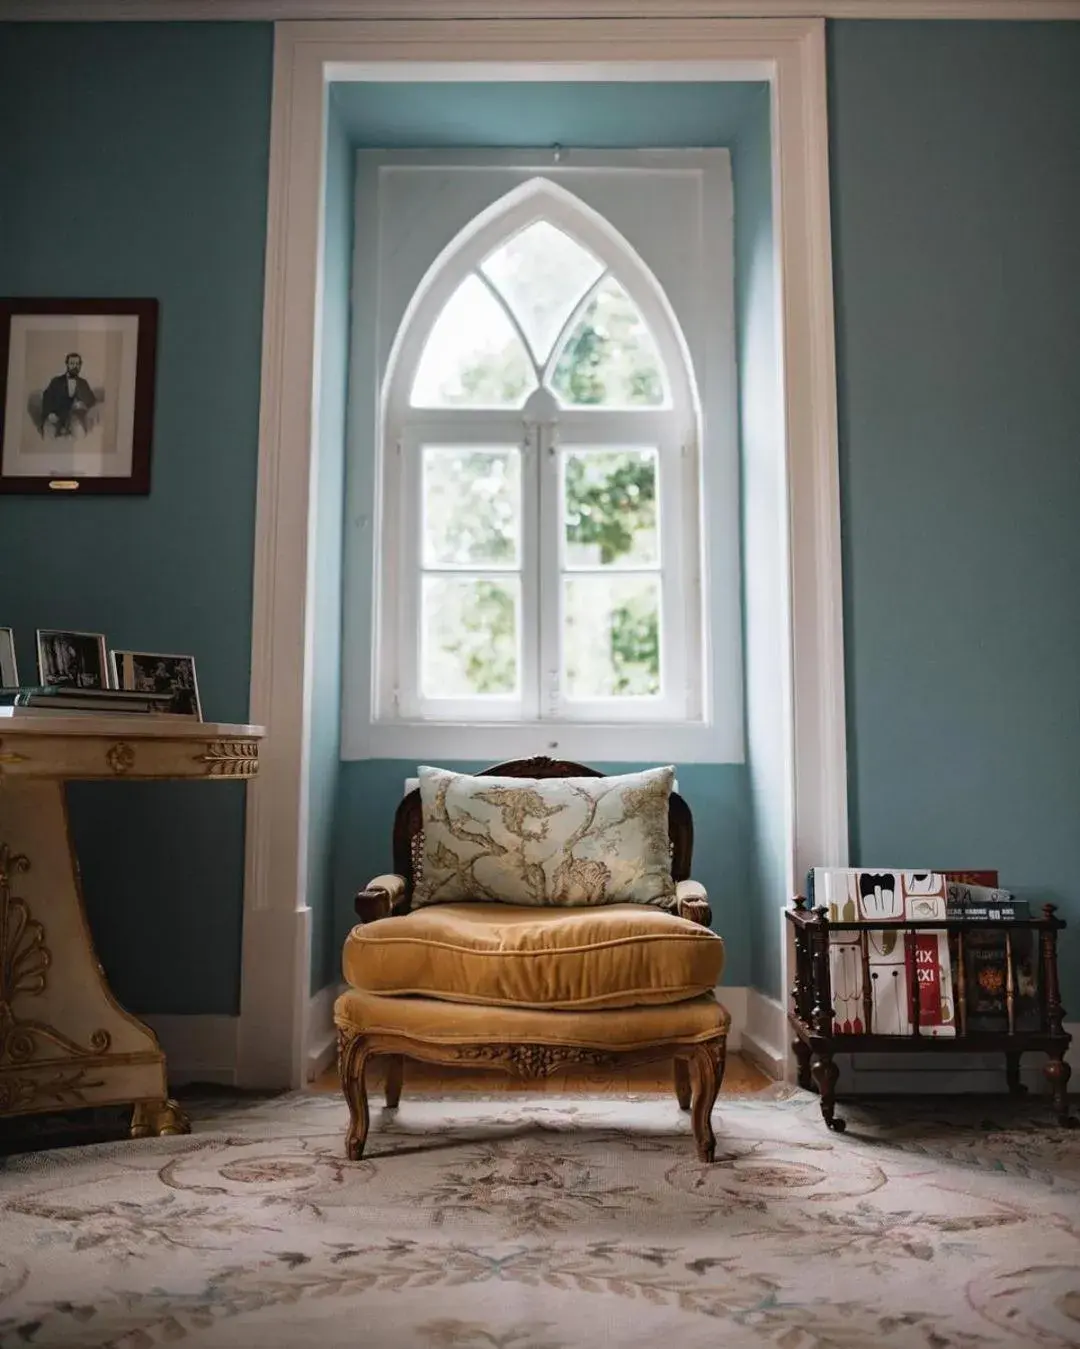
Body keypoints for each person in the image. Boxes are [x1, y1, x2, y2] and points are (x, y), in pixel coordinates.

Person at [41, 352, 96, 440]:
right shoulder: (56, 381)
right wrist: (49, 413)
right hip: (55, 418)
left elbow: (91, 400)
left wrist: (83, 404)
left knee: (81, 436)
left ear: (80, 365)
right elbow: (47, 398)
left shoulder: (83, 383)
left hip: (75, 419)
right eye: (72, 363)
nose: (75, 366)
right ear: (67, 364)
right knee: (48, 436)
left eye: (78, 364)